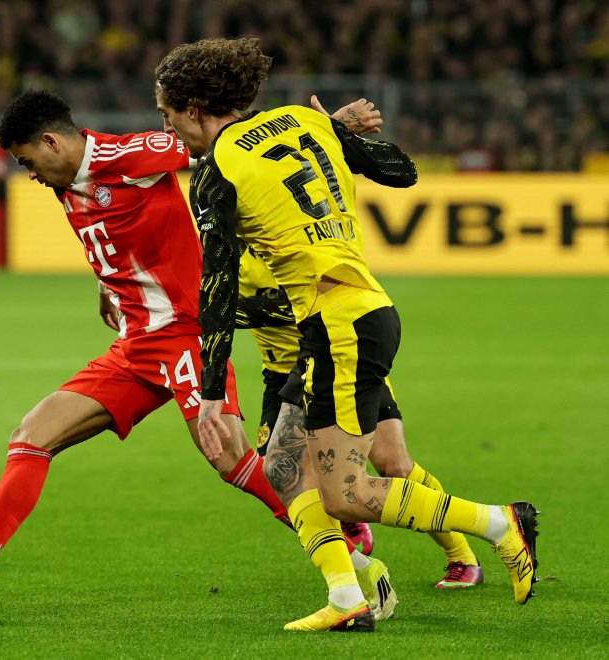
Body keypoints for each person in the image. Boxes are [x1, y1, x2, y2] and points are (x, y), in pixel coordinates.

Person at [0, 89, 395, 625]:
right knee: (31, 436)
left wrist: (327, 125)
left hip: (184, 335)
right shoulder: (65, 181)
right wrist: (108, 285)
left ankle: (358, 566)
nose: (29, 174)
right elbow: (115, 233)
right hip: (134, 347)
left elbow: (223, 143)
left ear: (52, 142)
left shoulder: (130, 156)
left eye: (27, 160)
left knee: (234, 461)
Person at [153, 36, 538, 631]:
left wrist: (208, 394)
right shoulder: (303, 121)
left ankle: (497, 523)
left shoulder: (216, 173)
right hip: (350, 318)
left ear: (194, 108)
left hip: (338, 327)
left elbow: (220, 288)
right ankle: (346, 599)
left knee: (347, 493)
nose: (168, 128)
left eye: (167, 114)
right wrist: (337, 132)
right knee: (283, 467)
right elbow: (402, 171)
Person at [236, 242, 483, 588]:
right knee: (283, 477)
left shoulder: (297, 235)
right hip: (282, 375)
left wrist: (221, 309)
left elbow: (308, 300)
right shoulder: (222, 245)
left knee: (394, 464)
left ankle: (461, 555)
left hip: (341, 358)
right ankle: (355, 570)